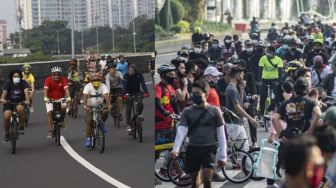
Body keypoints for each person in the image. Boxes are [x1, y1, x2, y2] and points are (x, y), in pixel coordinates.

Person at [171, 80, 227, 188]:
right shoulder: (187, 111)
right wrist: (176, 149)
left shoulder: (215, 111)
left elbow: (221, 134)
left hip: (209, 149)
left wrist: (223, 156)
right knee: (195, 181)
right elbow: (181, 131)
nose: (194, 96)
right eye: (193, 93)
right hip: (193, 149)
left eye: (198, 93)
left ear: (206, 94)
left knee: (207, 180)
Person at [83, 73, 112, 147]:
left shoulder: (103, 85)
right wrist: (85, 105)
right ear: (91, 81)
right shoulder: (87, 86)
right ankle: (88, 140)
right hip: (90, 106)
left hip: (99, 105)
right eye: (94, 80)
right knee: (89, 122)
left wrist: (109, 104)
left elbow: (105, 95)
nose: (96, 81)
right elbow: (85, 96)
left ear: (100, 80)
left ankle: (102, 124)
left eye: (98, 80)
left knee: (106, 111)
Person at [0, 70, 30, 141]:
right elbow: (4, 92)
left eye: (18, 76)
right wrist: (3, 99)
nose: (17, 78)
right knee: (7, 117)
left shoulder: (23, 83)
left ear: (20, 77)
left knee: (20, 110)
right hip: (9, 102)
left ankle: (21, 127)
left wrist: (27, 100)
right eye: (15, 76)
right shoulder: (8, 83)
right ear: (12, 77)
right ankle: (7, 134)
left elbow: (26, 91)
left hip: (20, 102)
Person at [43, 66, 71, 138]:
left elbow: (66, 89)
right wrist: (45, 97)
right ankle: (50, 131)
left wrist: (68, 97)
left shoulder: (63, 79)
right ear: (52, 74)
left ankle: (62, 121)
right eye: (55, 74)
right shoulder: (48, 80)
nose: (57, 76)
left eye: (58, 74)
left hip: (60, 98)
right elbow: (45, 89)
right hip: (50, 99)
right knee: (49, 113)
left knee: (64, 107)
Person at [123, 64, 149, 134]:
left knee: (140, 104)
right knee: (128, 110)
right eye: (129, 70)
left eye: (131, 70)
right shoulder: (126, 76)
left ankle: (139, 115)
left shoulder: (139, 75)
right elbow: (124, 86)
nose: (129, 72)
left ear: (135, 71)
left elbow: (143, 84)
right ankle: (128, 125)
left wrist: (146, 92)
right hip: (128, 93)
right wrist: (124, 94)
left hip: (137, 92)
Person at [259, 46, 284, 115]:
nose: (269, 54)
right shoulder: (263, 58)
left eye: (270, 52)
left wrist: (279, 81)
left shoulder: (278, 60)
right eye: (268, 52)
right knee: (262, 97)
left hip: (275, 80)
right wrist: (259, 81)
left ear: (274, 53)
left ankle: (279, 112)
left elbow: (280, 72)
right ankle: (261, 114)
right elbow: (260, 70)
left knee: (278, 96)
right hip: (265, 79)